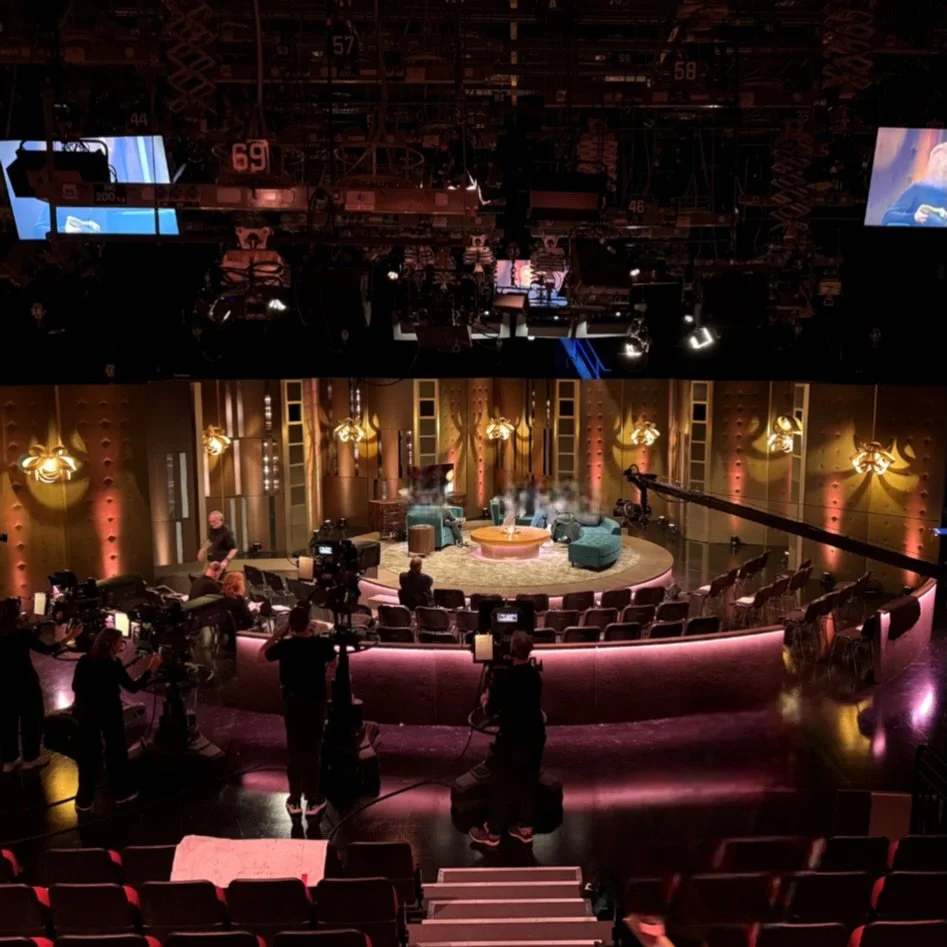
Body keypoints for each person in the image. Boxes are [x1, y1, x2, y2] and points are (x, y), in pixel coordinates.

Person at [257, 604, 336, 819]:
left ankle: (294, 799)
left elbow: (260, 655)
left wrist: (277, 635)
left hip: (292, 703)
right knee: (313, 749)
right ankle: (313, 799)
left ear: (290, 626)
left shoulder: (285, 646)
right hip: (316, 702)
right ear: (309, 623)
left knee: (295, 749)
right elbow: (333, 664)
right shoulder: (322, 644)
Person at [71, 627, 162, 811]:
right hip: (109, 713)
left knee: (88, 755)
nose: (122, 645)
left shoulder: (85, 661)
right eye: (120, 642)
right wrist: (150, 669)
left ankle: (84, 800)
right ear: (110, 644)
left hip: (86, 714)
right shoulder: (113, 665)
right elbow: (133, 688)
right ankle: (121, 793)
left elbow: (75, 687)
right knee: (116, 752)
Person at [470, 631, 546, 847]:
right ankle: (525, 829)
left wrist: (485, 699)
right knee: (529, 781)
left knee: (502, 783)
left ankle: (493, 834)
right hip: (536, 735)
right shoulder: (535, 675)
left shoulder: (504, 678)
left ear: (511, 651)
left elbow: (491, 710)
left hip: (514, 737)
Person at [0, 599, 81, 773]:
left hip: (3, 685)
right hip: (26, 683)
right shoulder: (22, 634)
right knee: (31, 720)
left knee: (7, 722)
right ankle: (30, 759)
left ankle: (8, 760)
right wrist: (69, 637)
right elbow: (47, 649)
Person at [881, 141, 947, 226]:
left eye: (944, 167)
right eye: (937, 162)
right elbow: (888, 217)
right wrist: (913, 217)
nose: (939, 168)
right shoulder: (917, 189)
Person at [219, 571, 254, 649]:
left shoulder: (222, 597)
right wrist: (256, 611)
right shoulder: (239, 599)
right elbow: (249, 617)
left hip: (228, 628)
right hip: (240, 626)